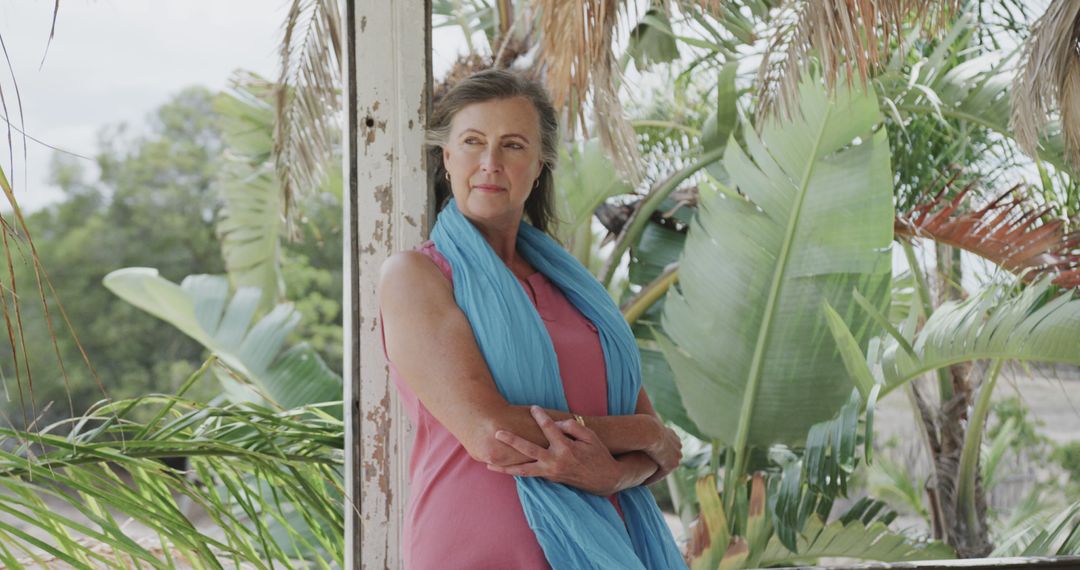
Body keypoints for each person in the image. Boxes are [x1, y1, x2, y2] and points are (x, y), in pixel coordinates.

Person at [378, 69, 687, 569]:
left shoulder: (576, 293)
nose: (490, 163)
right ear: (446, 157)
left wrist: (614, 476)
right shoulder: (417, 276)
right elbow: (492, 434)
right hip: (479, 548)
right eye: (473, 142)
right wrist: (645, 435)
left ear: (539, 165)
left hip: (607, 539)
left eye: (513, 145)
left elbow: (648, 449)